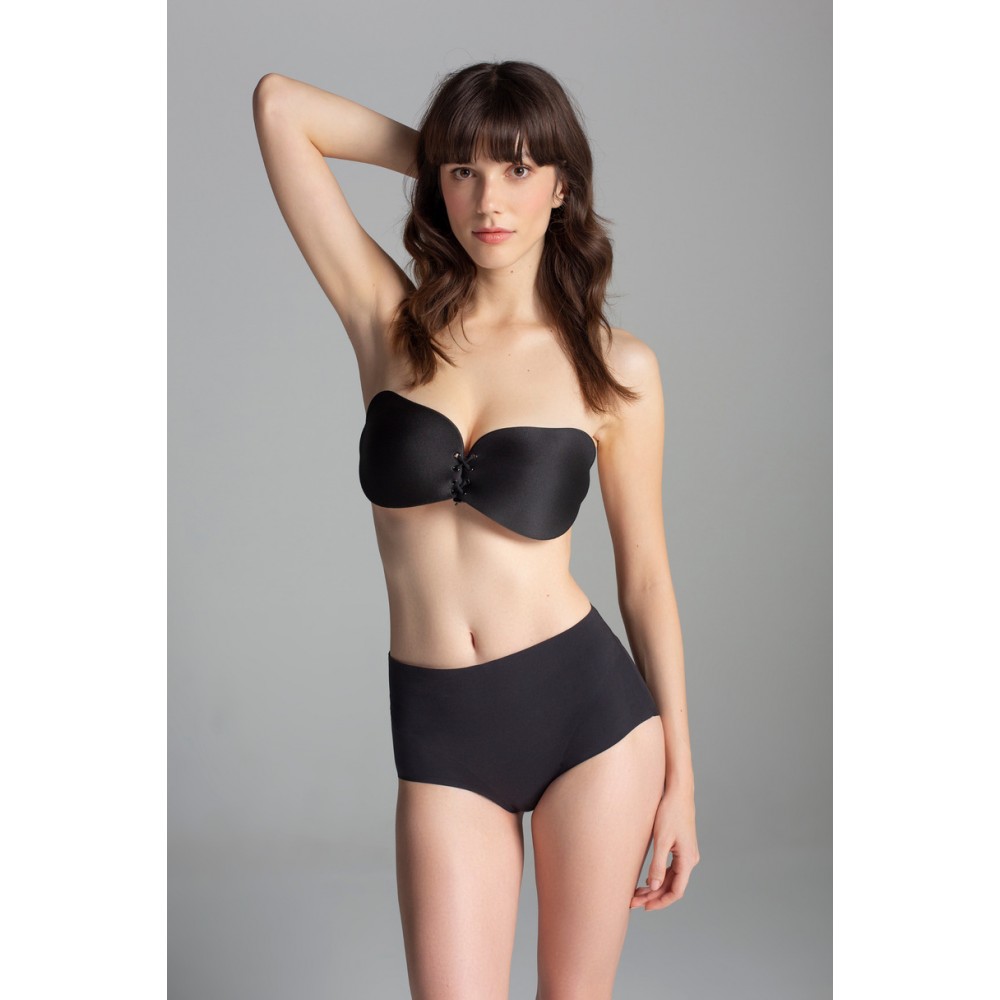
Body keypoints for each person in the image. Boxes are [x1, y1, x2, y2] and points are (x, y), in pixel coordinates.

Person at [252, 60, 698, 1000]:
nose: (489, 200)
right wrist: (452, 153)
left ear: (562, 186)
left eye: (520, 170)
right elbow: (280, 108)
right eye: (467, 173)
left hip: (591, 723)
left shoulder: (617, 369)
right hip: (442, 733)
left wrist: (682, 783)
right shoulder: (387, 323)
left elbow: (647, 577)